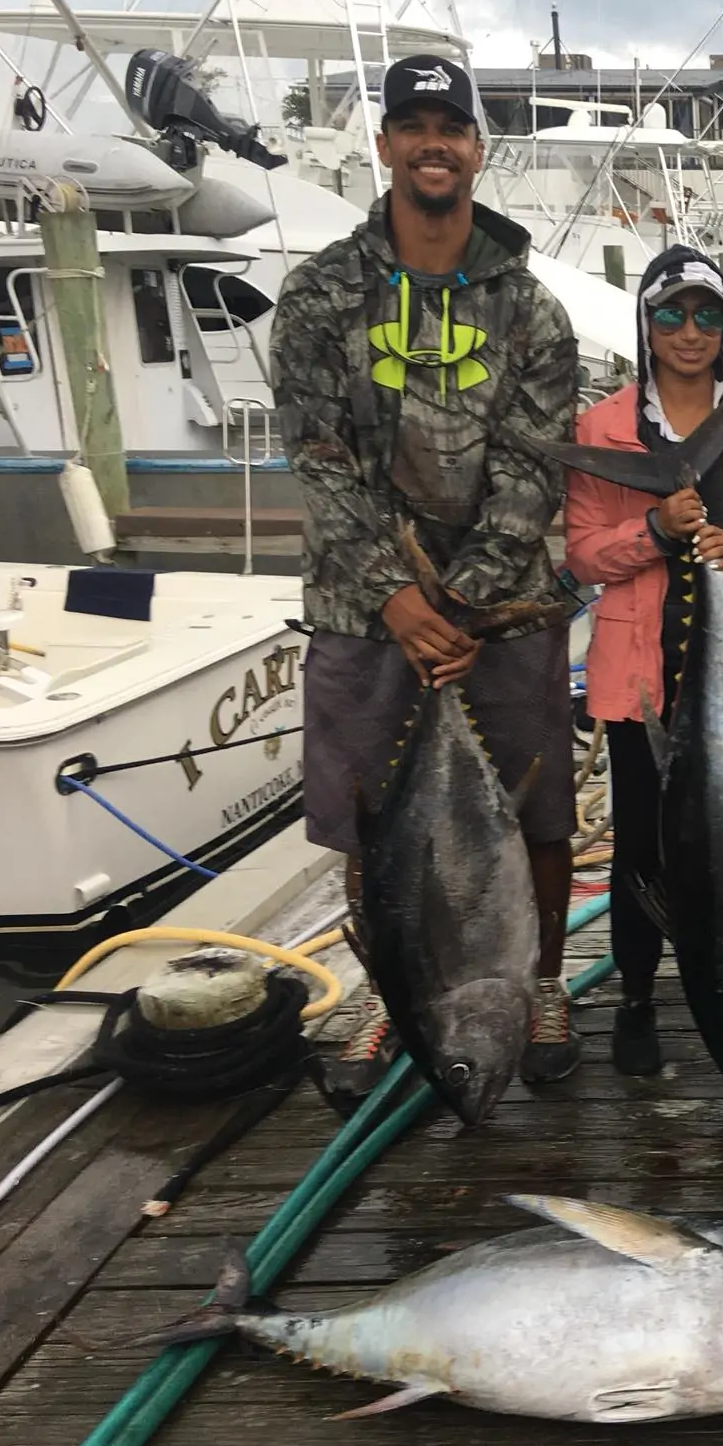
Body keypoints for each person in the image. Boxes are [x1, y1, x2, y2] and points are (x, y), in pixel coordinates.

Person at [272, 54, 581, 1097]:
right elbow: (315, 458)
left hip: (501, 612)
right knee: (369, 819)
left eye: (452, 124)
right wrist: (396, 600)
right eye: (414, 124)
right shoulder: (318, 293)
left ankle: (538, 985)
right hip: (364, 616)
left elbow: (533, 468)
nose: (433, 140)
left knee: (538, 813)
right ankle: (392, 991)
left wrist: (459, 604)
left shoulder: (533, 309)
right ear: (385, 146)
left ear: (477, 150)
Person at [562, 245, 723, 1076]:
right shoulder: (602, 428)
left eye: (707, 314)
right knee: (641, 846)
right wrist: (655, 531)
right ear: (646, 322)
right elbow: (581, 556)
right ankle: (637, 996)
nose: (689, 330)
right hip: (643, 678)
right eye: (670, 312)